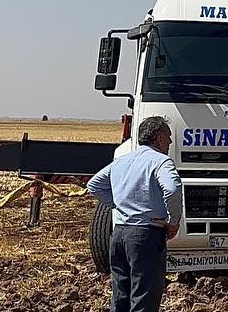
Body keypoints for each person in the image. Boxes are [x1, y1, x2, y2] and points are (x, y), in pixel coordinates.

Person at [86, 117, 183, 312]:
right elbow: (172, 189)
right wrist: (173, 222)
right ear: (158, 138)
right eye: (168, 137)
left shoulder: (122, 161)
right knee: (144, 297)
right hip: (145, 236)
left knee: (121, 294)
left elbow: (93, 185)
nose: (170, 142)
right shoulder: (161, 162)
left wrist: (116, 204)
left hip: (119, 234)